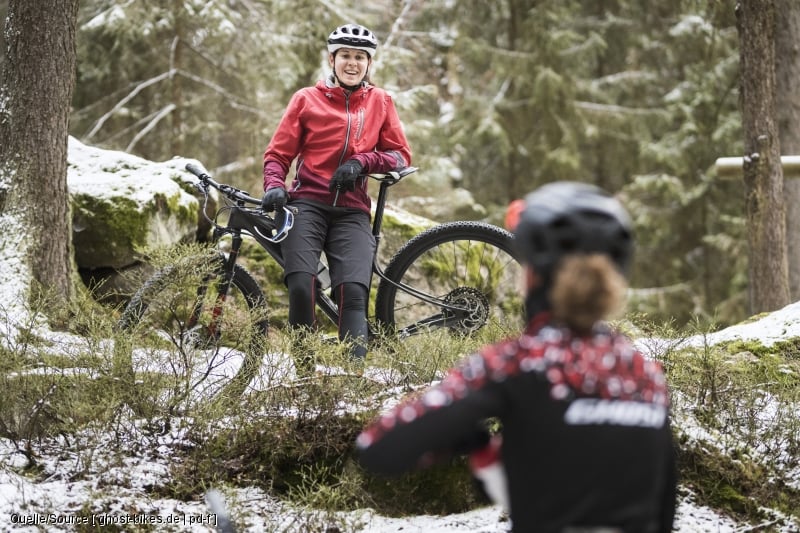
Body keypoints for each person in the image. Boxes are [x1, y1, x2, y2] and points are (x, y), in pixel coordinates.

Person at [356, 182, 677, 532]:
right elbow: (662, 513)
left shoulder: (520, 362)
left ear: (533, 274)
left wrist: (470, 440)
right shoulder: (643, 373)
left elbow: (378, 449)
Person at [261, 23, 412, 364]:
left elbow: (401, 155)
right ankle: (304, 373)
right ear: (332, 59)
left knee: (353, 292)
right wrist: (273, 186)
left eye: (360, 57)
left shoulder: (381, 101)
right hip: (306, 205)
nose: (352, 63)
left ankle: (353, 379)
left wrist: (363, 162)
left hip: (352, 210)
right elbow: (278, 154)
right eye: (345, 55)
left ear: (368, 64)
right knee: (302, 285)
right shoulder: (306, 99)